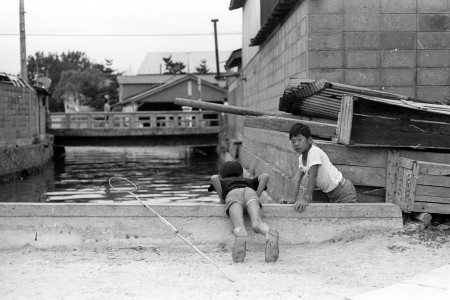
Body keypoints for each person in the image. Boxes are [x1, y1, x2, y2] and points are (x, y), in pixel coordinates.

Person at [209, 161, 279, 263]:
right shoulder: (247, 180)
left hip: (233, 194)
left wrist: (222, 199)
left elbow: (214, 178)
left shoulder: (223, 181)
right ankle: (268, 233)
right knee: (257, 224)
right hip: (250, 192)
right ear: (241, 174)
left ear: (222, 176)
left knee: (239, 226)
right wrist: (257, 194)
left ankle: (241, 233)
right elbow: (265, 176)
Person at [286, 123, 358, 212]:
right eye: (293, 141)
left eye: (299, 140)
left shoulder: (313, 152)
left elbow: (313, 176)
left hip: (343, 192)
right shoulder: (302, 158)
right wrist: (292, 199)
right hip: (332, 194)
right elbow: (296, 178)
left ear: (309, 140)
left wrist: (306, 199)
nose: (296, 144)